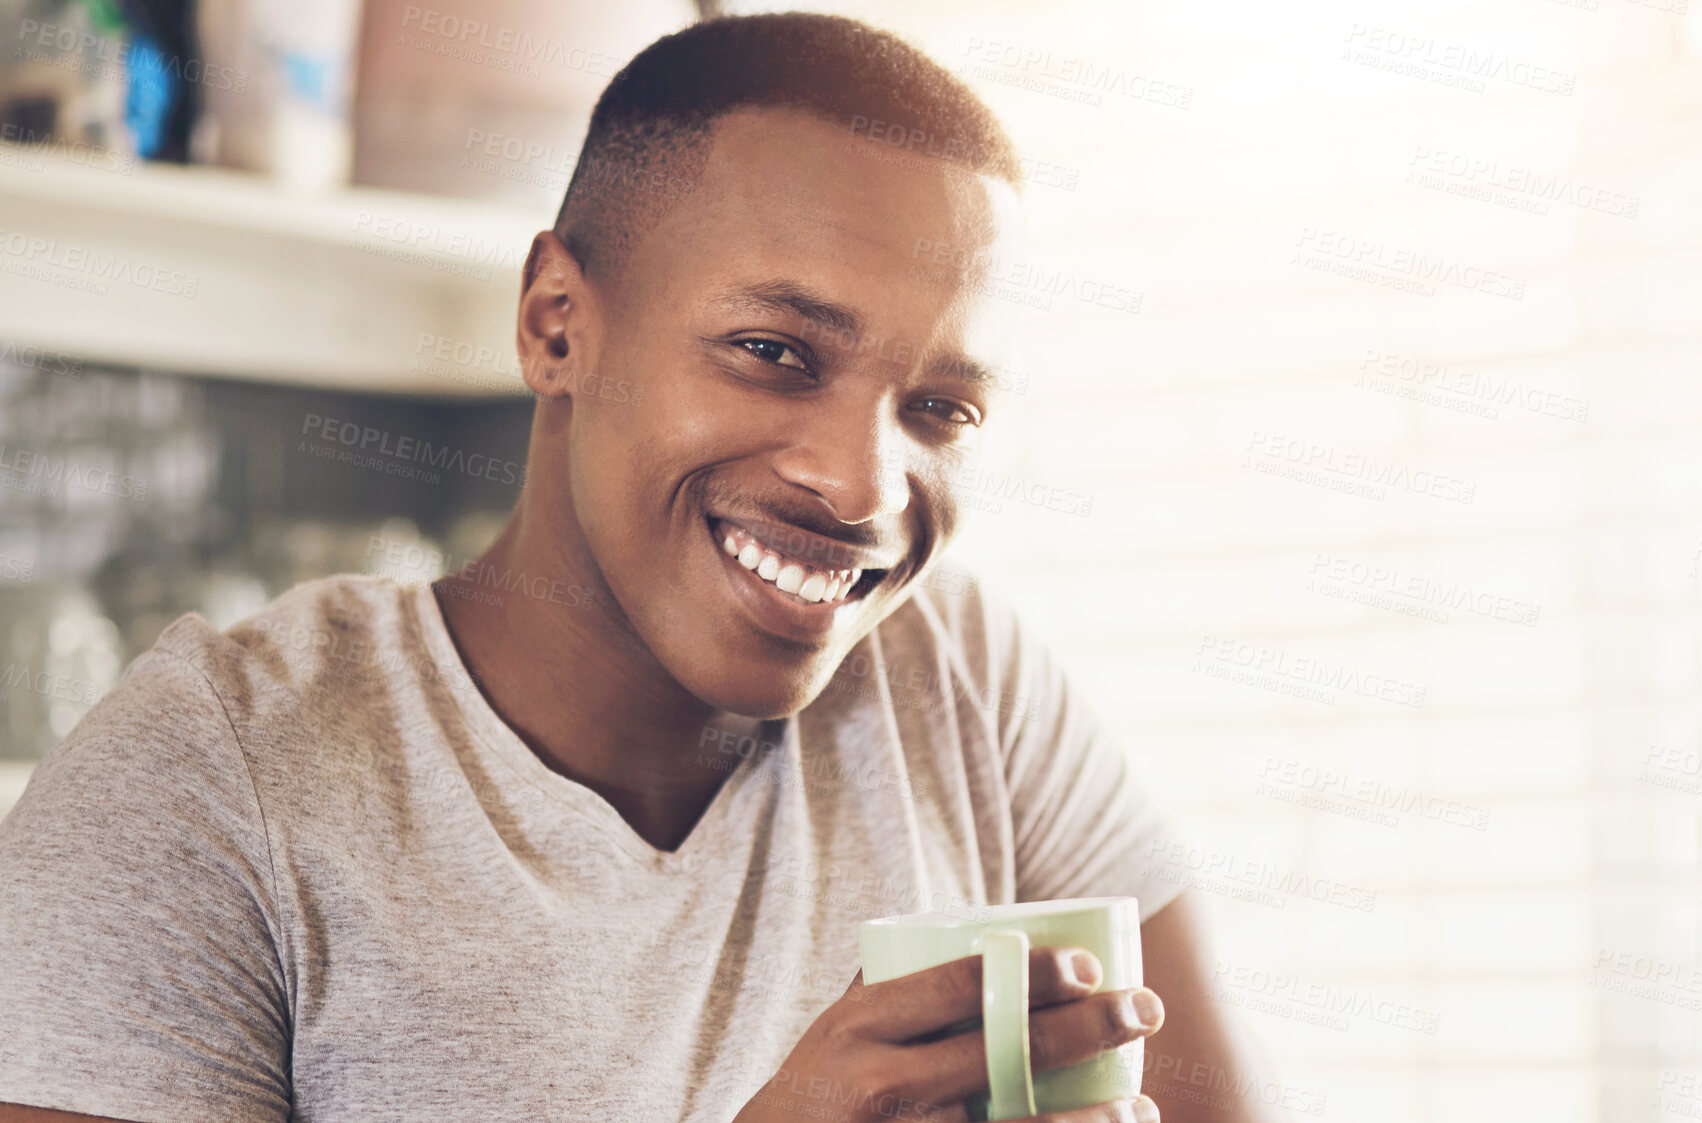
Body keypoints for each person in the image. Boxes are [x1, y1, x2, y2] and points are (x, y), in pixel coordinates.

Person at [0, 13, 1271, 1123]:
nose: (867, 488)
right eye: (775, 351)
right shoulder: (211, 779)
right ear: (558, 324)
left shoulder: (960, 680)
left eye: (939, 411)